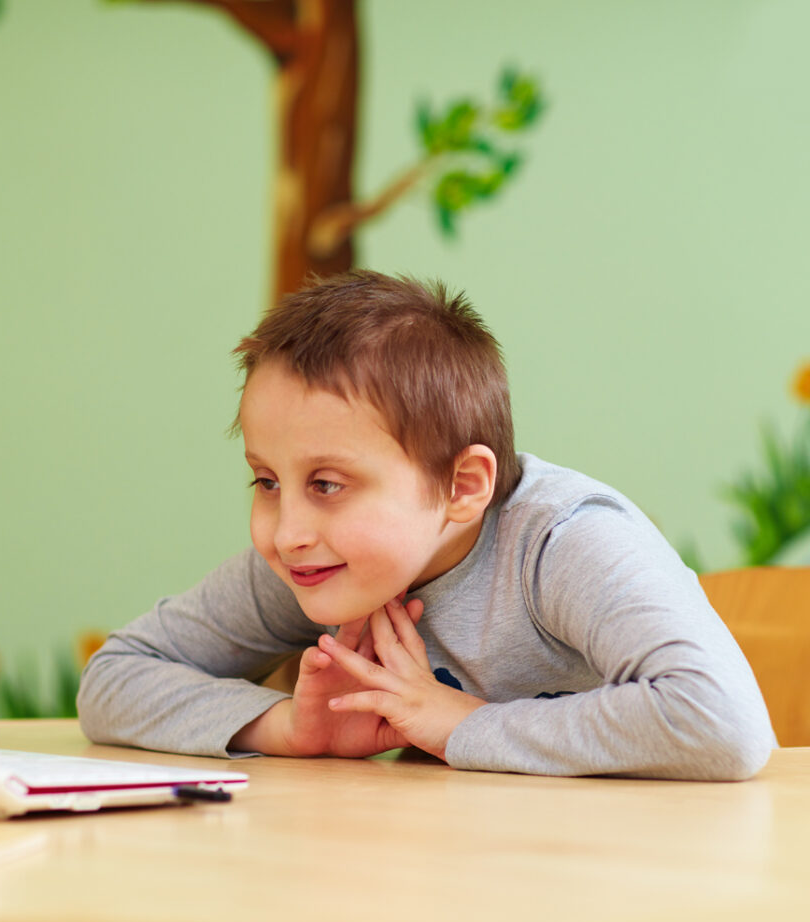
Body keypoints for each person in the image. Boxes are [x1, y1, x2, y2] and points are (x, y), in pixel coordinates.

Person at [78, 271, 774, 779]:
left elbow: (722, 722)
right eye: (266, 481)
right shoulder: (313, 560)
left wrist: (463, 724)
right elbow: (115, 678)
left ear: (462, 487)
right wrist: (290, 726)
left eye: (327, 485)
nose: (285, 531)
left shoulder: (564, 545)